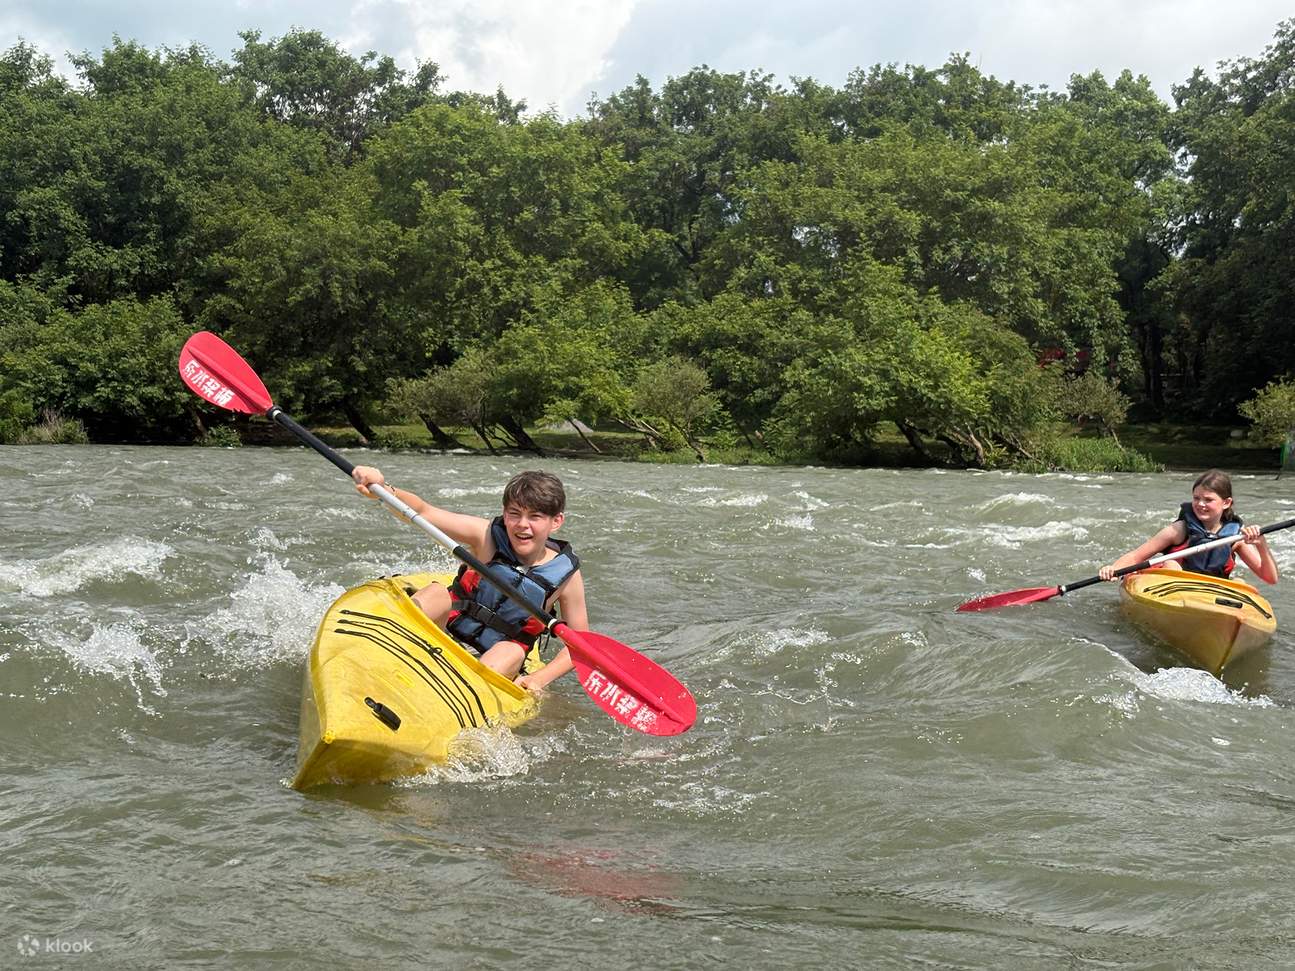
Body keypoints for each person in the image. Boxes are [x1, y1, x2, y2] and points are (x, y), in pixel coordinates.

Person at [351, 465, 588, 692]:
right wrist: (384, 489)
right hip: (446, 630)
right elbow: (423, 512)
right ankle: (382, 652)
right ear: (505, 514)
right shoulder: (485, 536)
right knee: (435, 594)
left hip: (496, 660)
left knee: (510, 652)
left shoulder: (566, 575)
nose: (522, 525)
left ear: (556, 522)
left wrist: (538, 678)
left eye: (535, 517)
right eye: (514, 514)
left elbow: (579, 646)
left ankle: (468, 691)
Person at [1098, 469, 1279, 584]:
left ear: (1226, 503)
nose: (1200, 504)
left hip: (1210, 593)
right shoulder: (1180, 530)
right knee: (1170, 564)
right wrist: (1113, 569)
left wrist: (1261, 545)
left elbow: (1270, 578)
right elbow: (1137, 556)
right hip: (1174, 588)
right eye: (1196, 498)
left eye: (1208, 500)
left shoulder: (1235, 537)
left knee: (1240, 583)